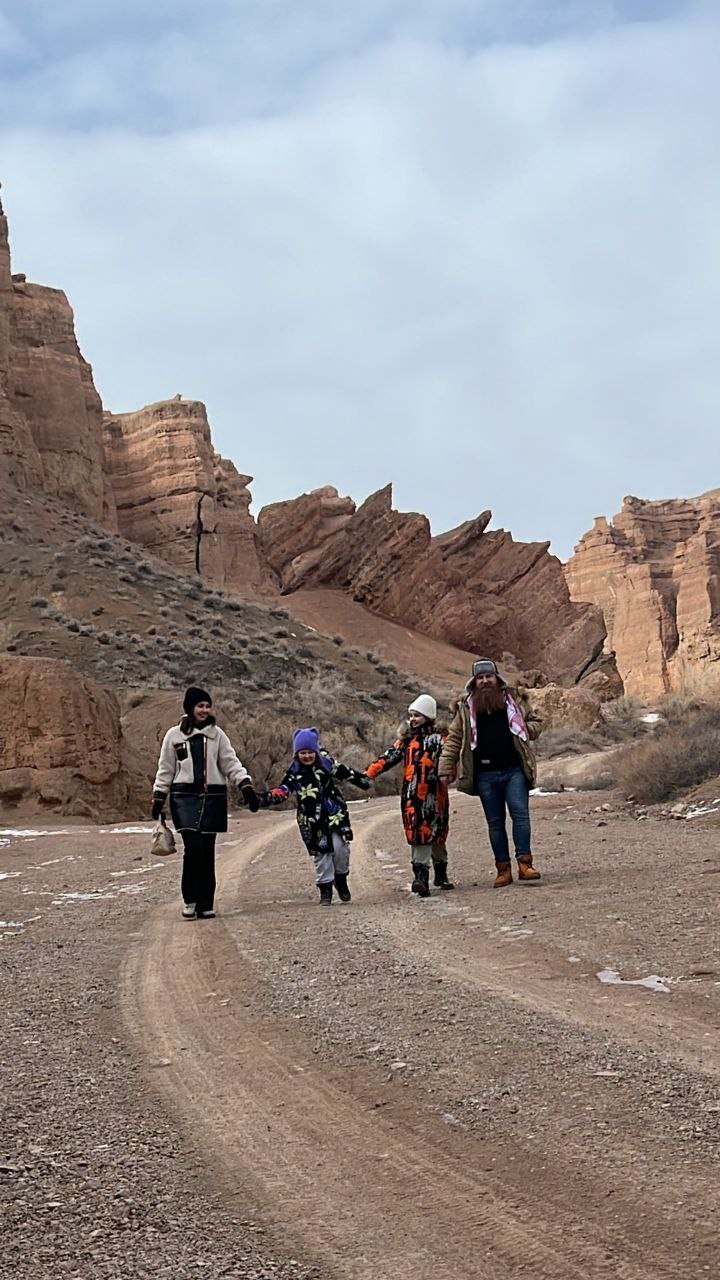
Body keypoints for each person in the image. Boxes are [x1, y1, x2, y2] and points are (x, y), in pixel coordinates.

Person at [151, 686, 259, 919]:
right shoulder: (174, 735)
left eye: (207, 706)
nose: (204, 710)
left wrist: (245, 785)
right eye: (200, 706)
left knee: (208, 851)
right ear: (190, 707)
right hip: (184, 798)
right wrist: (159, 796)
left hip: (213, 799)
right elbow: (166, 769)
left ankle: (206, 903)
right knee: (193, 848)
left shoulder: (217, 735)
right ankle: (190, 900)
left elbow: (231, 762)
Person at [439, 659, 542, 887]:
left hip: (514, 769)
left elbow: (536, 722)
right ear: (474, 682)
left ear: (497, 678)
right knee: (495, 823)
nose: (485, 681)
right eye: (480, 678)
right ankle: (503, 869)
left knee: (520, 814)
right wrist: (446, 768)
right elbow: (454, 740)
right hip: (485, 774)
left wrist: (526, 729)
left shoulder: (513, 700)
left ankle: (525, 864)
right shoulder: (465, 709)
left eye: (489, 676)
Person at [257, 727, 370, 905]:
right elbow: (283, 790)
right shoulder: (294, 772)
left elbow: (346, 773)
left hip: (335, 814)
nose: (307, 756)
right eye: (303, 752)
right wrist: (262, 799)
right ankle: (325, 889)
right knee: (321, 854)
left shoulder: (327, 764)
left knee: (341, 849)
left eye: (310, 752)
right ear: (297, 754)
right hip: (311, 821)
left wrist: (363, 780)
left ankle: (341, 879)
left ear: (316, 752)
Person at [366, 693, 452, 897]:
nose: (413, 719)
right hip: (412, 796)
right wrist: (368, 774)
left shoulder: (440, 740)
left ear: (428, 717)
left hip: (435, 795)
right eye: (411, 715)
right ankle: (420, 877)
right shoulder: (405, 741)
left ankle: (441, 873)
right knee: (418, 834)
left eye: (417, 715)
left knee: (437, 835)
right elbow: (387, 758)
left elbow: (451, 759)